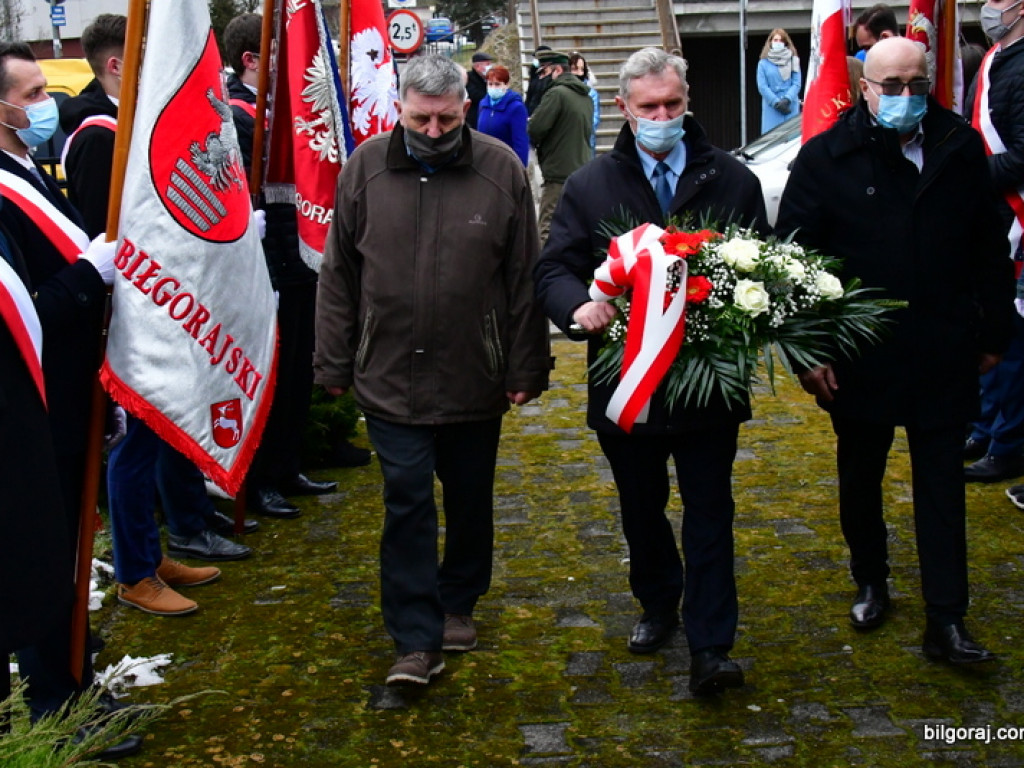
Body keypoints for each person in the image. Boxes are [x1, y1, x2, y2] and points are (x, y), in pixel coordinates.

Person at [534, 47, 767, 696]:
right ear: (625, 110)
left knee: (710, 510)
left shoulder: (732, 181)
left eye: (672, 104)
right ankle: (659, 600)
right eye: (649, 107)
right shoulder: (589, 186)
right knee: (642, 509)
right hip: (625, 385)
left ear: (686, 101)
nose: (662, 116)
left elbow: (762, 267)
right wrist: (578, 306)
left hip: (706, 384)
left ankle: (712, 645)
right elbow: (552, 269)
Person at [314, 54, 551, 687]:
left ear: (465, 110)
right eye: (422, 119)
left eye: (447, 119)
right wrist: (333, 358)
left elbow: (524, 279)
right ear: (400, 108)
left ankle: (458, 601)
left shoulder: (499, 169)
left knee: (469, 501)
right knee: (407, 502)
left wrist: (527, 363)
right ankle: (414, 640)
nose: (435, 132)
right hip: (387, 374)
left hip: (476, 373)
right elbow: (340, 273)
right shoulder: (365, 167)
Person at [776, 37, 1014, 664]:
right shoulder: (826, 158)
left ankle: (947, 618)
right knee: (862, 475)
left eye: (917, 84)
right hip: (861, 358)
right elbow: (793, 263)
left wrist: (993, 335)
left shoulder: (960, 147)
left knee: (942, 485)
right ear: (864, 87)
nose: (906, 97)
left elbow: (990, 247)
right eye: (892, 86)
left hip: (943, 349)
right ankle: (871, 576)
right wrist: (809, 352)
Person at [58, 16, 252, 618]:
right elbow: (102, 237)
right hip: (132, 317)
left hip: (165, 307)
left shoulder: (137, 122)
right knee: (134, 444)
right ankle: (135, 572)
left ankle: (151, 550)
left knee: (160, 432)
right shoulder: (96, 136)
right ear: (117, 65)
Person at [0, 41, 141, 758]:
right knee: (42, 556)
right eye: (26, 95)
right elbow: (22, 312)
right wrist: (90, 272)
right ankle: (55, 697)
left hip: (72, 390)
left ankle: (76, 673)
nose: (41, 105)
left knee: (67, 552)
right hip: (35, 405)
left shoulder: (34, 169)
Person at [223, 13, 339, 519]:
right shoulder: (236, 114)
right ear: (252, 60)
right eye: (280, 52)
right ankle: (261, 478)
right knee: (268, 378)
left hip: (300, 260)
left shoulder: (283, 109)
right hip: (265, 267)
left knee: (296, 372)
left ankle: (288, 464)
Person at [964, 0, 1024, 487]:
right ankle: (987, 428)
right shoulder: (995, 58)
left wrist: (964, 174)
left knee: (1014, 341)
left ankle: (1008, 442)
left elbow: (1021, 154)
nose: (988, 8)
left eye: (997, 1)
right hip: (994, 215)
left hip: (1015, 217)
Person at [527, 49, 593, 244]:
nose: (540, 78)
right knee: (574, 225)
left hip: (557, 172)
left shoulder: (556, 94)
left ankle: (544, 272)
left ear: (556, 70)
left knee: (547, 228)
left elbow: (535, 128)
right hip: (580, 168)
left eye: (544, 73)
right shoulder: (585, 97)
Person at [475, 64, 529, 166]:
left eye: (497, 84)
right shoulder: (483, 104)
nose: (493, 88)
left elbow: (521, 142)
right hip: (485, 162)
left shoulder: (516, 107)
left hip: (505, 164)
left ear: (507, 85)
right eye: (490, 84)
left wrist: (520, 169)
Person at [756, 29, 802, 134]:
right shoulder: (763, 63)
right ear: (770, 42)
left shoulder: (793, 60)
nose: (778, 42)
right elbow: (762, 86)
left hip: (790, 106)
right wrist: (776, 102)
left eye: (781, 40)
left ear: (785, 43)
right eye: (775, 40)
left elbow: (797, 83)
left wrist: (787, 99)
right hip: (772, 107)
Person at [569, 51, 601, 155]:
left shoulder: (591, 93)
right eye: (575, 69)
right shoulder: (559, 91)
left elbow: (594, 119)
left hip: (586, 143)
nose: (579, 73)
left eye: (582, 69)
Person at [466, 50, 492, 130]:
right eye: (487, 64)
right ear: (477, 67)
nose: (490, 66)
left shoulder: (487, 78)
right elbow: (475, 95)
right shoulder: (468, 78)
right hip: (474, 119)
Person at [525, 45, 552, 116]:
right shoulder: (535, 76)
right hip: (530, 114)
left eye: (536, 58)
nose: (535, 60)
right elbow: (529, 97)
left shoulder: (552, 78)